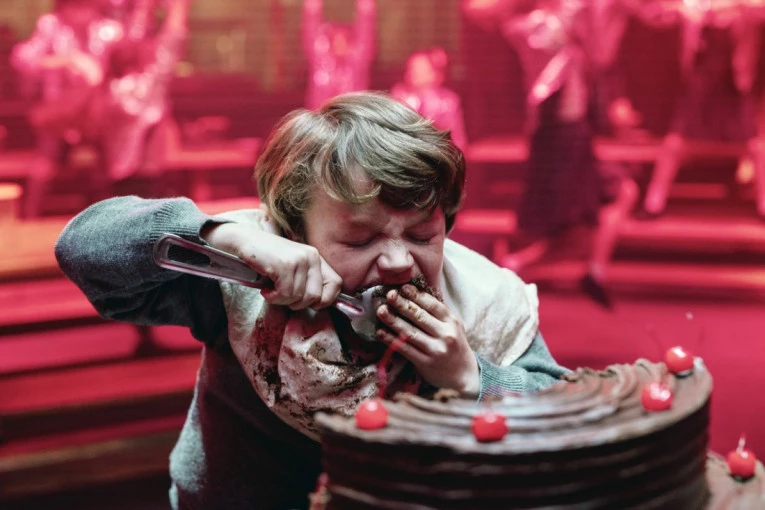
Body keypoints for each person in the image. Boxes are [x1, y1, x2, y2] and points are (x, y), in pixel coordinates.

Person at [55, 91, 568, 509]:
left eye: (421, 235)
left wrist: (472, 377)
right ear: (292, 230)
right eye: (360, 240)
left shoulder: (483, 298)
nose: (397, 262)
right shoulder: (245, 270)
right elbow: (83, 249)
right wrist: (223, 236)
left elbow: (566, 419)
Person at [636, 0, 765, 219]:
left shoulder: (743, 11)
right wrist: (684, 13)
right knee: (673, 145)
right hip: (700, 92)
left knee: (757, 147)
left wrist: (731, 9)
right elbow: (653, 16)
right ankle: (653, 203)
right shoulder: (693, 10)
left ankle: (764, 205)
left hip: (732, 92)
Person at [10, 0, 122, 218]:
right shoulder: (51, 25)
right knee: (45, 165)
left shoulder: (108, 30)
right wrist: (67, 60)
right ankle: (28, 221)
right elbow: (22, 59)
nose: (81, 14)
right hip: (58, 114)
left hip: (95, 117)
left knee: (101, 172)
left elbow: (122, 66)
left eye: (87, 8)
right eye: (75, 7)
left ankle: (105, 224)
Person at [302, 0, 376, 110]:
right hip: (322, 116)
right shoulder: (321, 61)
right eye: (335, 40)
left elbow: (366, 35)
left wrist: (366, 8)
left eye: (344, 39)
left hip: (351, 117)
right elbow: (310, 34)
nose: (339, 44)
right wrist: (312, 7)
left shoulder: (357, 61)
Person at [391, 47, 469, 150]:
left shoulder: (448, 101)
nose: (413, 72)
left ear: (435, 72)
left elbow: (458, 140)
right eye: (411, 68)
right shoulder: (400, 97)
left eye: (420, 68)